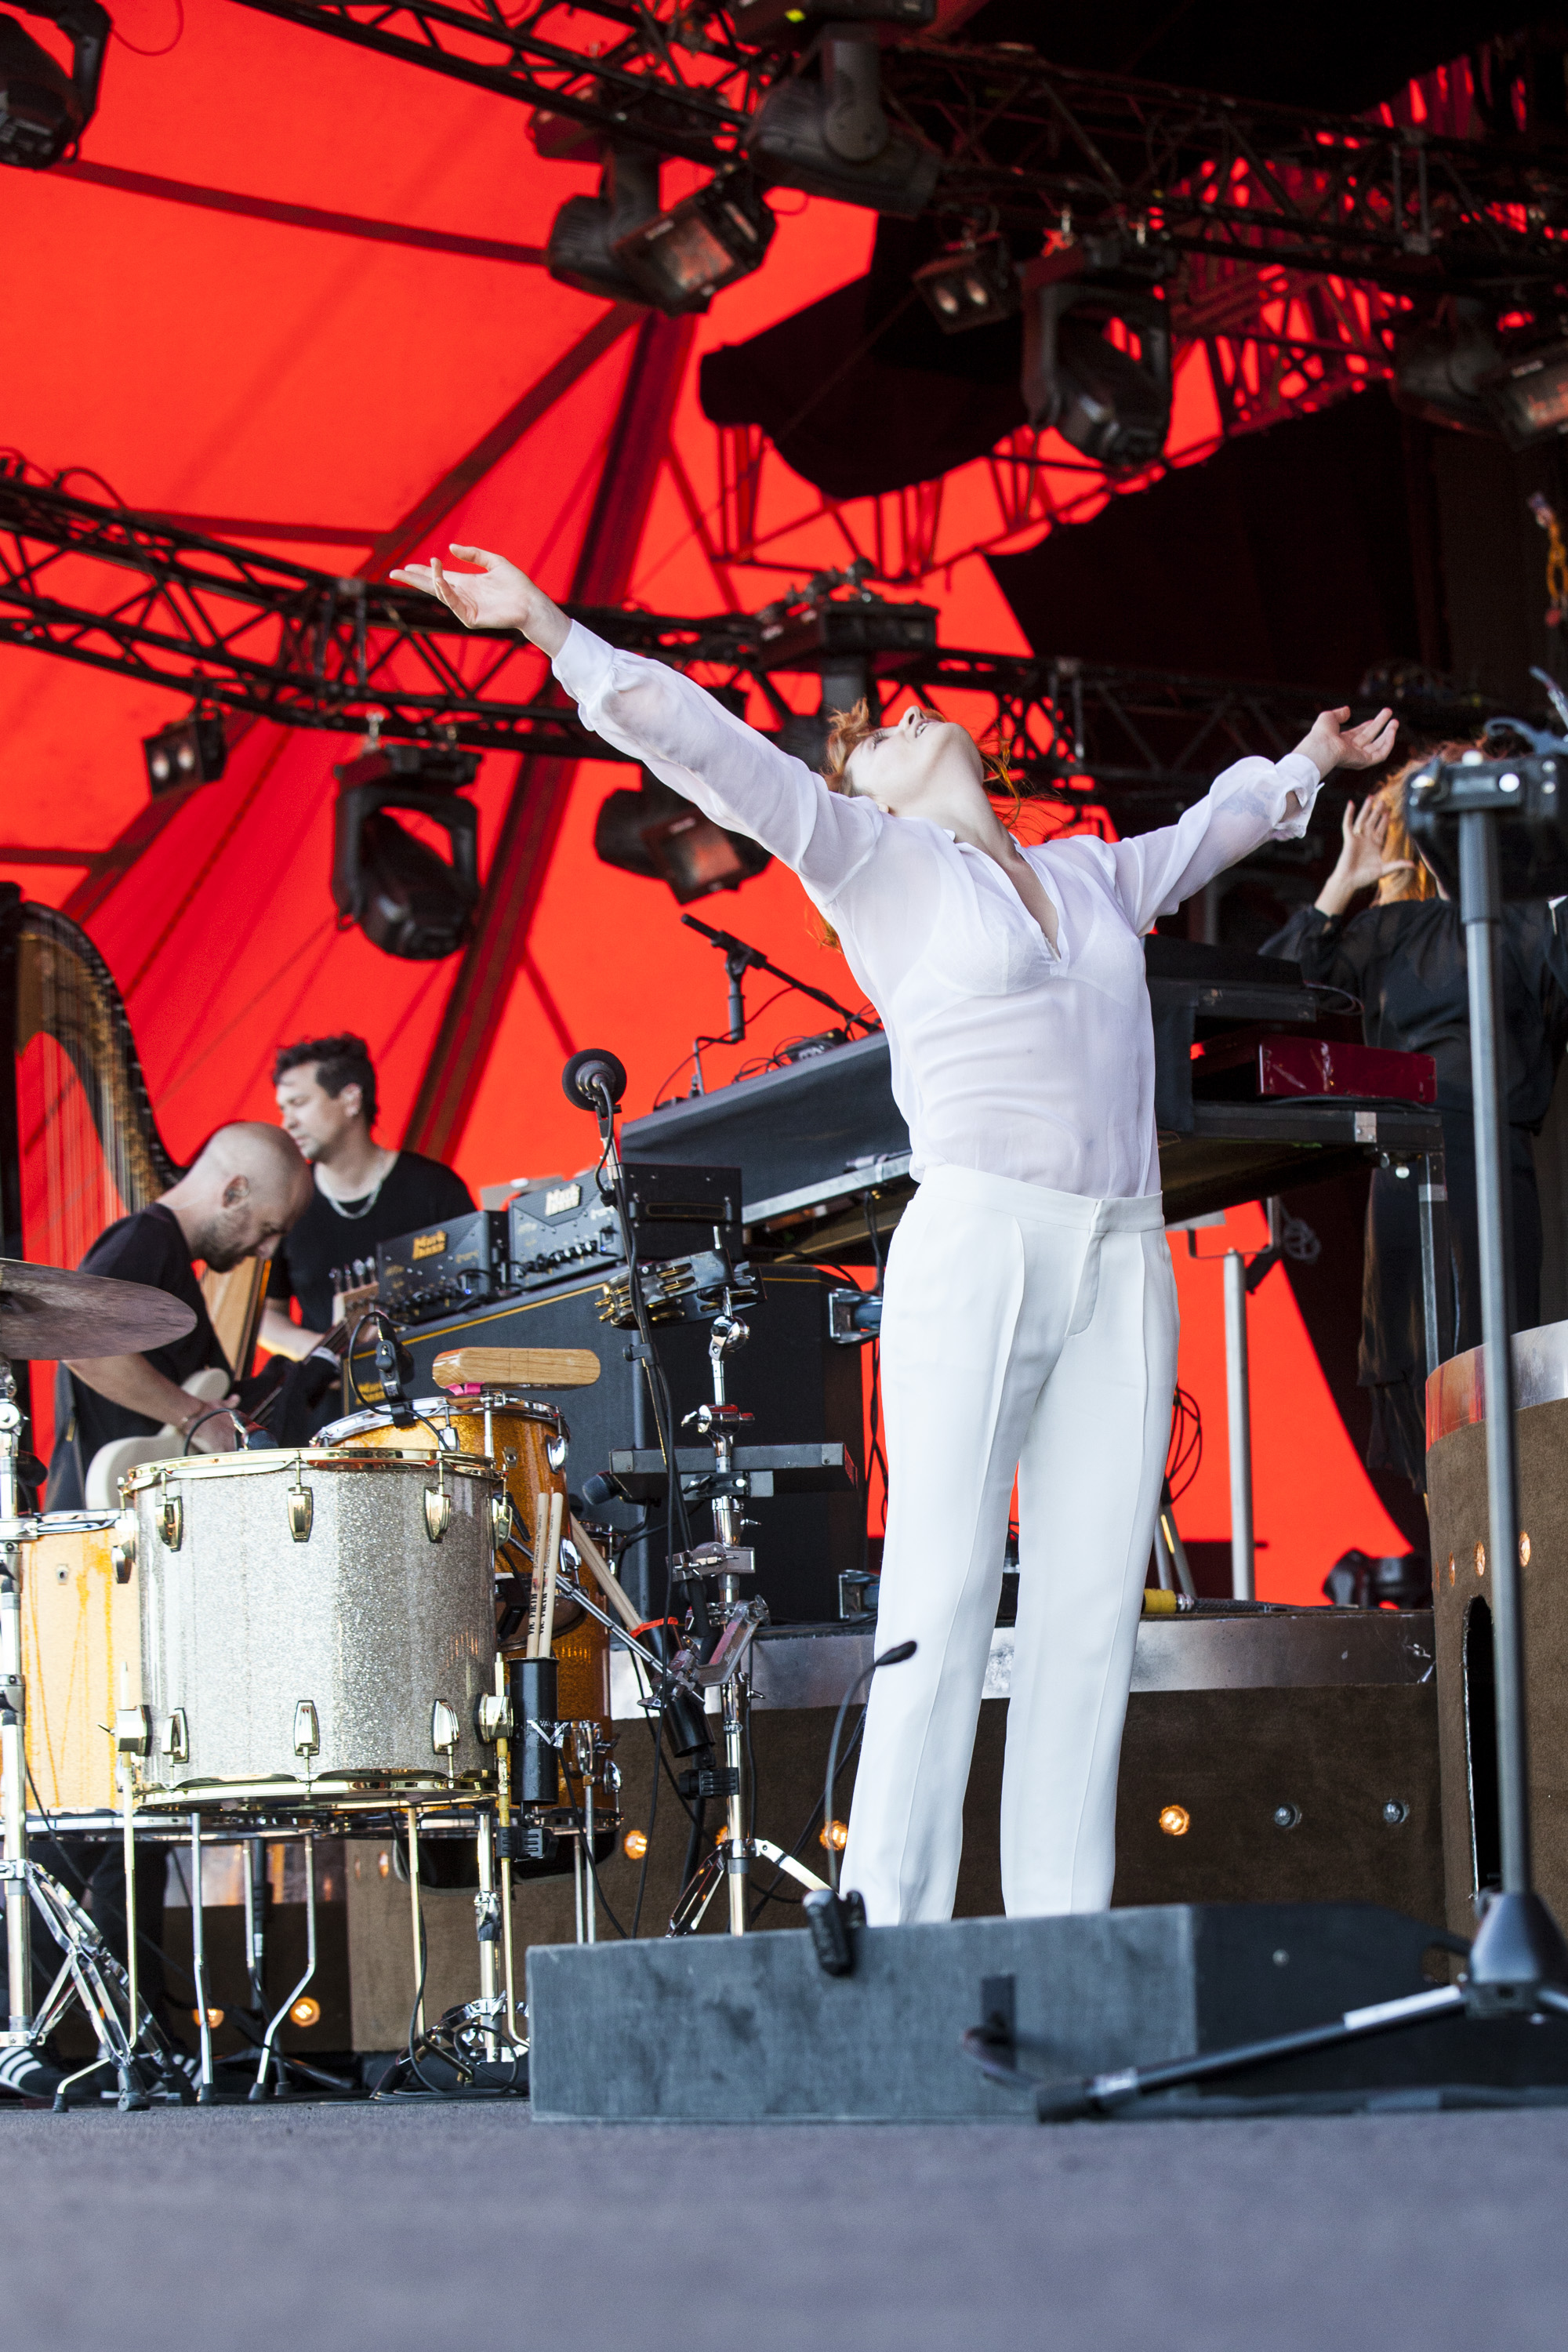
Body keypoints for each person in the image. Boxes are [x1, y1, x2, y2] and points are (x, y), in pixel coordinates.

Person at [394, 539, 1395, 1926]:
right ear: (861, 788)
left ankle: (1063, 1926)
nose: (898, 720)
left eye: (903, 714)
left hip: (1117, 1244)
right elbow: (718, 753)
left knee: (1092, 1607)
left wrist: (1304, 763)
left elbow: (1217, 831)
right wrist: (555, 632)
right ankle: (893, 1917)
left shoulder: (1087, 874)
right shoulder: (875, 864)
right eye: (868, 739)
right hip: (978, 1233)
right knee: (944, 1576)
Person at [1263, 757, 1568, 1495]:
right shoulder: (1390, 930)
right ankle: (1448, 1576)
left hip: (1490, 1166)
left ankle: (1503, 1572)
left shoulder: (1533, 923)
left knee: (1496, 1384)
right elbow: (1277, 984)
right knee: (1420, 1376)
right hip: (1403, 1166)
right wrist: (1344, 880)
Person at [48, 1122, 313, 1510]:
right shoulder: (145, 1239)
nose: (269, 1251)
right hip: (105, 1519)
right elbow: (79, 1343)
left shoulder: (164, 1251)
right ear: (233, 1192)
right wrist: (196, 1417)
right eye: (268, 1229)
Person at [259, 1033, 474, 1358]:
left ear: (350, 1099)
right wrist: (317, 1353)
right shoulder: (286, 1201)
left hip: (428, 1390)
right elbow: (266, 1315)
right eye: (282, 1108)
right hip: (332, 1401)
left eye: (300, 1103)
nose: (287, 1122)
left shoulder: (435, 1188)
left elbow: (479, 1292)